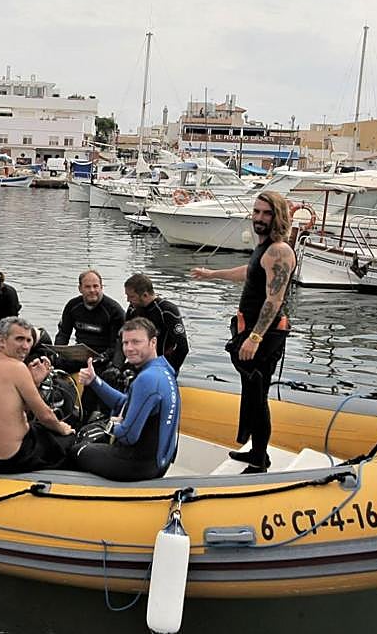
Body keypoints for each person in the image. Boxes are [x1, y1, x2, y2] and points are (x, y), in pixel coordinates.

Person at [191, 190, 295, 473]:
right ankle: (256, 451)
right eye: (257, 212)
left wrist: (255, 337)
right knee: (251, 393)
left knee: (258, 396)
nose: (260, 218)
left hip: (263, 336)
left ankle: (260, 461)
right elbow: (250, 272)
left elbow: (274, 299)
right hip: (249, 330)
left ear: (278, 217)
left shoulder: (279, 251)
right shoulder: (264, 249)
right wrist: (212, 275)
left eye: (267, 213)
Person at [72, 318, 181, 482]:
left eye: (136, 342)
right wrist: (94, 381)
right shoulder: (163, 370)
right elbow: (126, 403)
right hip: (159, 463)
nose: (129, 348)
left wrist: (109, 425)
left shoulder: (147, 379)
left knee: (75, 450)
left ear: (153, 342)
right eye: (125, 343)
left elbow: (129, 436)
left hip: (138, 466)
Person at [0, 317, 75, 474]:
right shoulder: (17, 367)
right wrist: (63, 429)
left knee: (38, 429)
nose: (25, 346)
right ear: (2, 341)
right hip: (9, 459)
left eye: (28, 340)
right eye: (19, 339)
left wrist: (35, 383)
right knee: (68, 438)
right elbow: (45, 415)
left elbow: (10, 410)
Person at [55, 269, 126, 365]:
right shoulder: (72, 306)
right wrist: (58, 353)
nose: (92, 290)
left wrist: (103, 358)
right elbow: (63, 334)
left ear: (101, 287)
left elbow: (117, 345)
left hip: (103, 357)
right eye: (87, 287)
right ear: (80, 288)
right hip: (79, 355)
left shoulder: (114, 311)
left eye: (95, 286)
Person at [122, 273, 189, 374]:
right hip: (138, 365)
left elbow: (182, 347)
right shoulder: (132, 309)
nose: (128, 300)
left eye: (131, 296)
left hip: (162, 366)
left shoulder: (167, 311)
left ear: (145, 295)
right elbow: (124, 339)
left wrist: (168, 370)